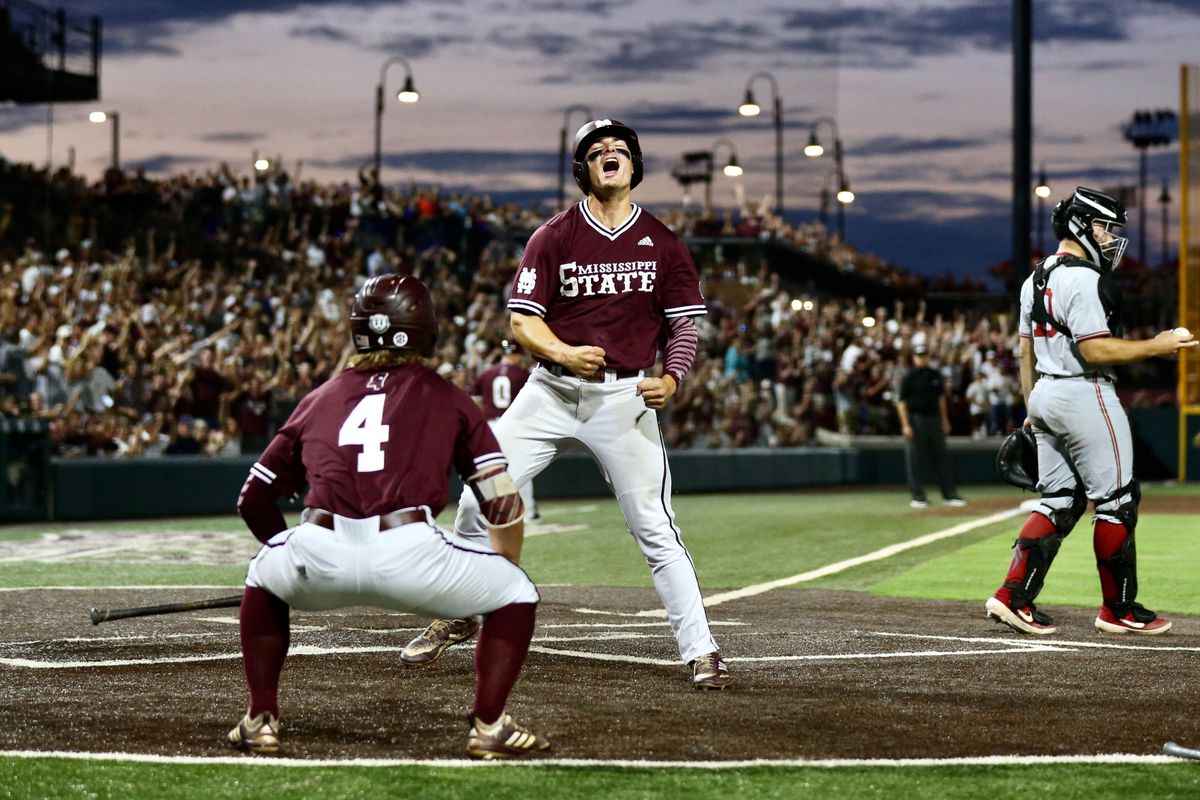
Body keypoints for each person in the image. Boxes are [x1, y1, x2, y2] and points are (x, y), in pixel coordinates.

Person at [401, 118, 731, 691]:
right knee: (481, 495)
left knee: (654, 527)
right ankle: (459, 609)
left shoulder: (665, 243)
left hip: (624, 397)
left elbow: (683, 328)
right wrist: (564, 352)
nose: (609, 155)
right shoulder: (552, 236)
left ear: (635, 165)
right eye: (596, 151)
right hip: (551, 389)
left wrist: (673, 379)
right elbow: (522, 322)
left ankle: (701, 649)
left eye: (619, 150)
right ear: (581, 170)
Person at [227, 274, 549, 760]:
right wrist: (505, 572)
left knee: (262, 573)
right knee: (517, 592)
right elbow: (502, 505)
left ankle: (260, 720)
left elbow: (252, 499)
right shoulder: (448, 397)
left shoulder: (319, 398)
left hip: (319, 546)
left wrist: (290, 564)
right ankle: (488, 726)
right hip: (411, 552)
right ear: (425, 329)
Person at [984, 186, 1197, 636]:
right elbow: (1096, 350)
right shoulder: (1083, 278)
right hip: (1085, 393)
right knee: (1117, 501)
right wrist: (1156, 346)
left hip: (1044, 392)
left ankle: (1011, 596)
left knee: (1059, 502)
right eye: (1103, 227)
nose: (1108, 237)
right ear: (1081, 224)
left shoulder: (1035, 276)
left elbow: (1024, 351)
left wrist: (1030, 407)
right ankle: (1117, 610)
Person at [471, 339, 538, 521]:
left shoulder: (486, 373)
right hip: (514, 425)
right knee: (522, 467)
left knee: (489, 469)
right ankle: (528, 513)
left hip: (491, 425)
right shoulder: (523, 374)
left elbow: (476, 402)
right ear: (516, 354)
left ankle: (484, 512)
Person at [896, 343, 965, 508]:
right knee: (914, 459)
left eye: (924, 355)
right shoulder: (909, 377)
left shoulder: (935, 375)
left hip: (934, 419)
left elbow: (941, 399)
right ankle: (917, 496)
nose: (922, 358)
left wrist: (945, 420)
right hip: (915, 419)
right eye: (919, 356)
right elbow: (901, 403)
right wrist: (905, 424)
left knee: (942, 458)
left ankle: (949, 494)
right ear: (914, 358)